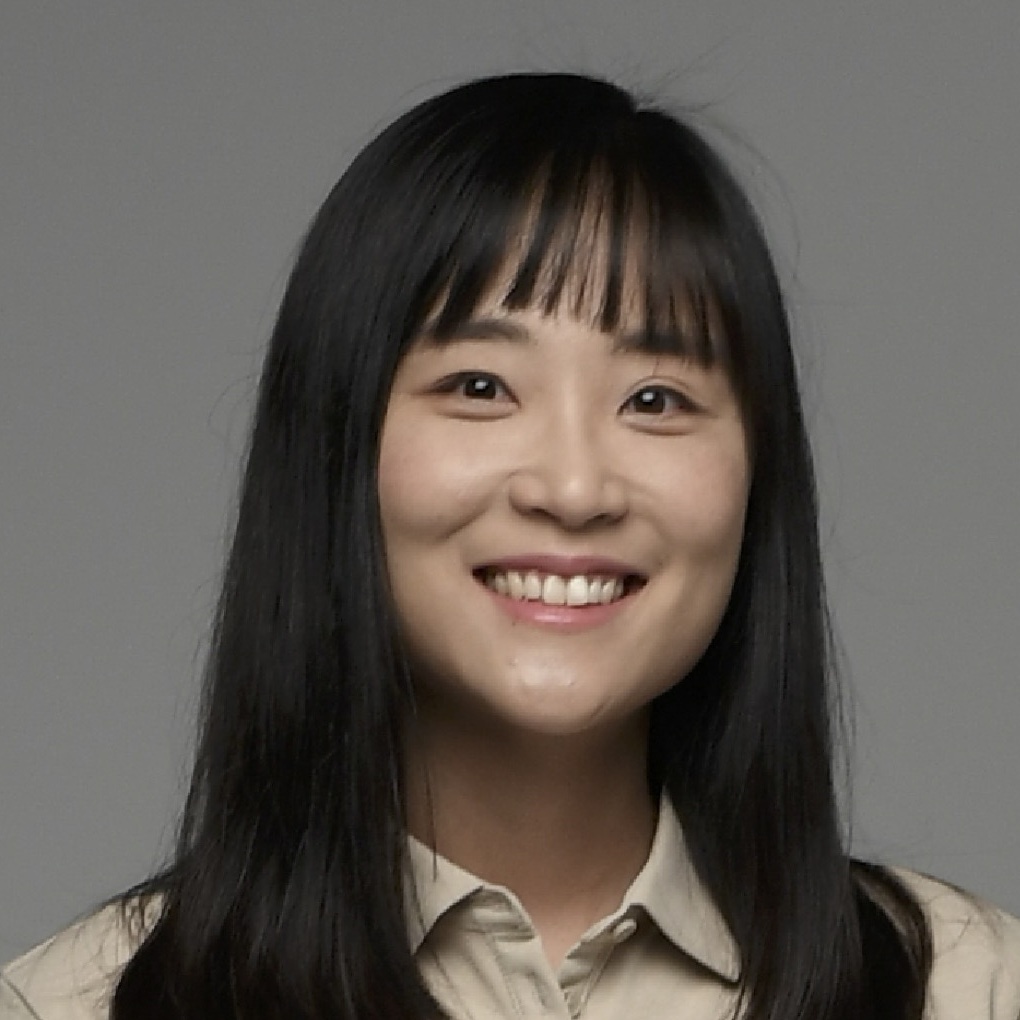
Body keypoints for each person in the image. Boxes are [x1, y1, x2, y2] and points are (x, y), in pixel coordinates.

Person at [2, 71, 1017, 1020]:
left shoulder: (970, 988)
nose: (572, 488)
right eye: (480, 387)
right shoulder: (72, 1006)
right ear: (336, 451)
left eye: (656, 398)